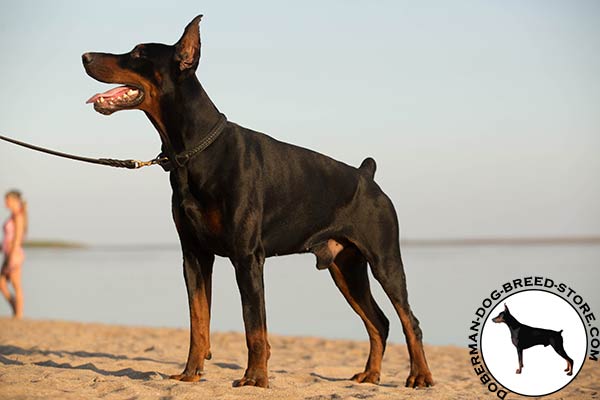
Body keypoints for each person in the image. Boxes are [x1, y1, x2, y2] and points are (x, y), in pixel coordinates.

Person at [1, 190, 27, 318]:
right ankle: (15, 308)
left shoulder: (18, 216)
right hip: (8, 253)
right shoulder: (13, 216)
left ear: (15, 201)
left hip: (14, 254)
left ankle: (18, 313)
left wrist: (11, 256)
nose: (5, 203)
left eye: (7, 200)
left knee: (16, 284)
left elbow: (17, 238)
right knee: (2, 283)